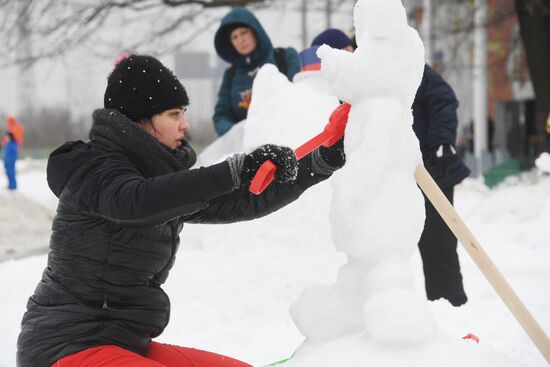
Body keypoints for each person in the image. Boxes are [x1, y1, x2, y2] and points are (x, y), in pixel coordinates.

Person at [16, 54, 346, 367]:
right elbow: (134, 201)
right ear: (140, 120)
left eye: (183, 113)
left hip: (123, 343)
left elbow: (243, 198)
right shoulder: (95, 168)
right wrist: (235, 169)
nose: (185, 125)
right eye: (174, 114)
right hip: (66, 348)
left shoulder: (158, 180)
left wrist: (319, 163)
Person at [413, 64, 471, 307]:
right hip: (399, 174)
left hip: (434, 168)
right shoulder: (358, 74)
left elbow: (443, 99)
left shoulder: (407, 63)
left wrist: (442, 141)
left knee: (438, 243)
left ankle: (450, 306)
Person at [213, 7, 300, 136]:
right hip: (248, 148)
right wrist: (236, 133)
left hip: (289, 137)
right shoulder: (230, 75)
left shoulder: (285, 57)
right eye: (234, 37)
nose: (240, 40)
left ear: (255, 31)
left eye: (243, 32)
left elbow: (299, 97)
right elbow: (221, 116)